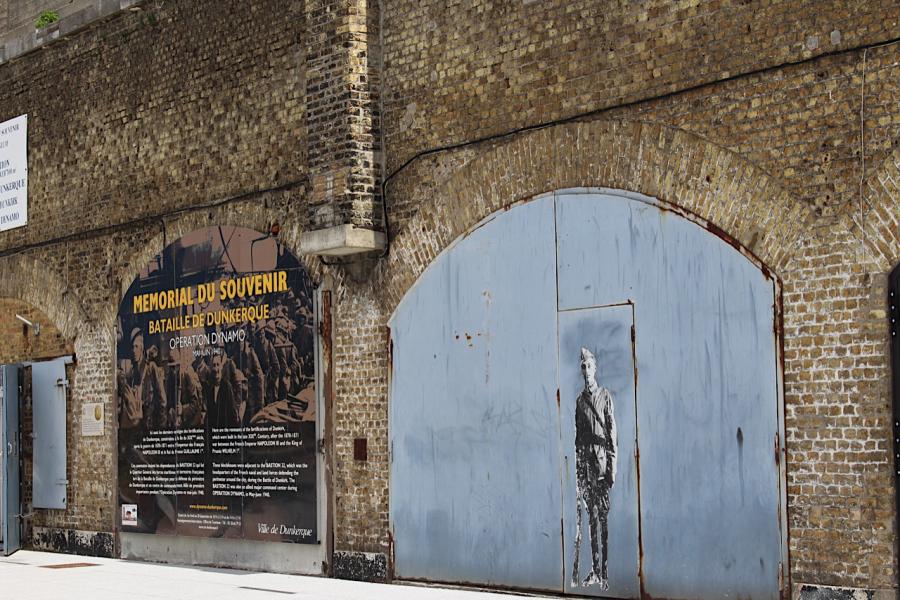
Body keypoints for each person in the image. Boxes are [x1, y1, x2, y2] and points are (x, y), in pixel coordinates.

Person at [572, 347, 617, 590]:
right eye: (582, 367)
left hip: (601, 467)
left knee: (603, 518)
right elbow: (578, 440)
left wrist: (612, 471)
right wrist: (579, 475)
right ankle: (595, 569)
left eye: (589, 366)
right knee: (591, 519)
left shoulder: (605, 396)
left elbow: (613, 436)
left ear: (595, 368)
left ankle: (606, 571)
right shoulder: (579, 403)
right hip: (587, 468)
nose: (586, 371)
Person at [203, 351, 239, 428]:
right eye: (214, 365)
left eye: (218, 365)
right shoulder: (210, 388)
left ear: (222, 367)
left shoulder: (227, 386)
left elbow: (233, 415)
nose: (216, 369)